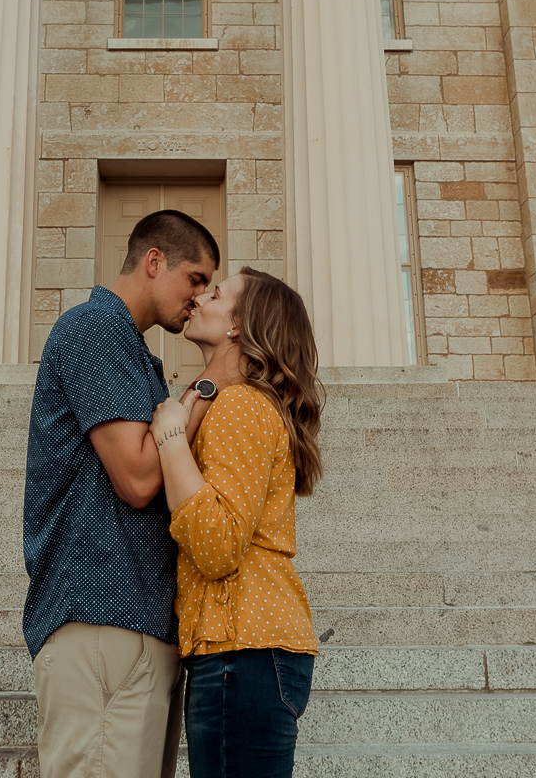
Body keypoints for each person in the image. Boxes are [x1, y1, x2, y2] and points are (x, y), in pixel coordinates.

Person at [23, 209, 220, 778]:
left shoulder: (134, 351)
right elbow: (136, 478)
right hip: (102, 615)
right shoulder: (94, 327)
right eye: (196, 278)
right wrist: (210, 385)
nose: (200, 297)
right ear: (154, 263)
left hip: (134, 623)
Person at [149, 267, 324, 778]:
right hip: (246, 650)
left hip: (242, 649)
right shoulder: (237, 402)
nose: (200, 297)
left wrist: (169, 439)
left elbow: (219, 545)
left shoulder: (242, 407)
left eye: (217, 293)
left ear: (238, 326)